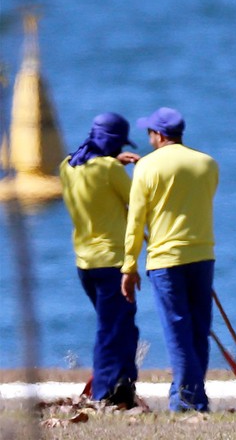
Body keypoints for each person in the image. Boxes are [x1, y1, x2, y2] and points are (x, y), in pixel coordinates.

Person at [120, 107, 219, 412]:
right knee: (199, 330)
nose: (148, 138)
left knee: (178, 331)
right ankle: (193, 396)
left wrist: (128, 266)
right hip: (202, 255)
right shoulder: (207, 163)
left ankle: (186, 401)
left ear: (159, 135)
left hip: (165, 259)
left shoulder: (146, 168)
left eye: (149, 133)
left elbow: (136, 221)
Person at [59, 112, 141, 407]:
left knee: (122, 325)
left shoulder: (66, 167)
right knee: (111, 328)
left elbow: (94, 181)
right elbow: (137, 201)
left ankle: (123, 386)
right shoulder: (110, 170)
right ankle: (104, 391)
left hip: (85, 263)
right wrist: (139, 169)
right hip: (112, 263)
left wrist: (113, 163)